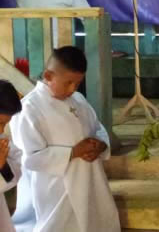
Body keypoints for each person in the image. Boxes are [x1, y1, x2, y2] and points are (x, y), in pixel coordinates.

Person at [10, 46, 119, 232]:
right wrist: (73, 152)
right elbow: (29, 158)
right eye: (68, 83)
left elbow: (97, 128)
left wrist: (100, 145)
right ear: (48, 76)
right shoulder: (29, 108)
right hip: (56, 188)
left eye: (78, 83)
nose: (73, 89)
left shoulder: (79, 100)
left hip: (91, 181)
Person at [0, 80, 22, 232]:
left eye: (4, 124)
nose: (2, 130)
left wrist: (3, 167)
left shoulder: (2, 140)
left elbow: (17, 166)